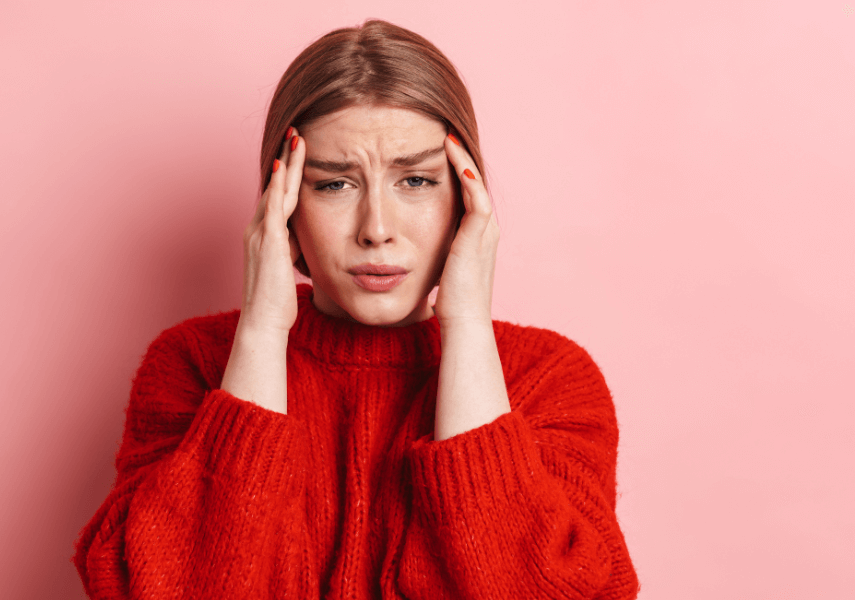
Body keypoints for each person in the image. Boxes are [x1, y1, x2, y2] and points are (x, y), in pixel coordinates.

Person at [74, 19, 639, 600]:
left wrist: (467, 327)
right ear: (282, 203)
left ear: (468, 197)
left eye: (416, 180)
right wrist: (262, 332)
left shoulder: (548, 378)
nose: (377, 230)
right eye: (335, 185)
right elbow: (157, 588)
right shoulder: (193, 363)